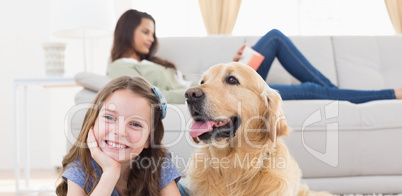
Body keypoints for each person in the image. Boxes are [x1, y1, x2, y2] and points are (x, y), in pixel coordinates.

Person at [108, 9, 402, 104]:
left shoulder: (152, 63)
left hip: (222, 84)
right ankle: (388, 95)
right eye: (145, 31)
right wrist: (192, 94)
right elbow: (148, 95)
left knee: (274, 38)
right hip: (217, 94)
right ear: (127, 30)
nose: (150, 38)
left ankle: (337, 94)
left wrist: (232, 61)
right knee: (313, 90)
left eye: (152, 33)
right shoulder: (121, 67)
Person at [44, 76, 191, 196]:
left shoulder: (159, 165)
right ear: (93, 122)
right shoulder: (82, 168)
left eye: (136, 124)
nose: (120, 131)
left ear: (148, 139)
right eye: (109, 118)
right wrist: (110, 174)